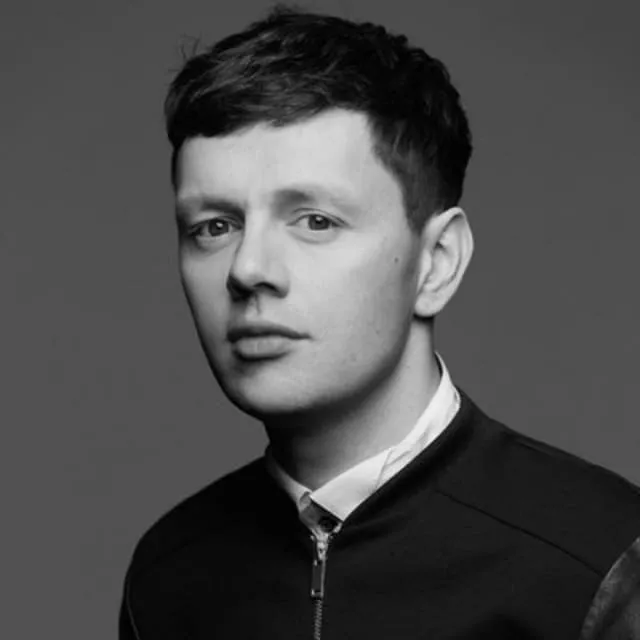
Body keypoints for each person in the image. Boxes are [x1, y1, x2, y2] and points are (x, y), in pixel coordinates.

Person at [119, 7, 640, 639]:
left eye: (316, 221)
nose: (248, 269)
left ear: (436, 262)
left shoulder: (604, 561)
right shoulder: (168, 576)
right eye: (214, 227)